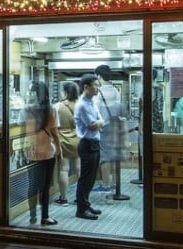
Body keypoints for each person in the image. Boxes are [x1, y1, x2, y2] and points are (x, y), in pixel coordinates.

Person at [24, 81, 61, 225]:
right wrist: (60, 150)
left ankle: (32, 216)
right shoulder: (51, 110)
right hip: (47, 152)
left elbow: (23, 130)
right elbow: (55, 134)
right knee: (45, 187)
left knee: (32, 186)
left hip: (31, 153)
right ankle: (44, 217)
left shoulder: (26, 110)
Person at [94, 64, 128, 199]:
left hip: (104, 128)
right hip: (116, 127)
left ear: (99, 76)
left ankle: (106, 185)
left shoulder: (99, 92)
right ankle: (115, 184)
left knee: (105, 158)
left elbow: (96, 112)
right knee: (114, 158)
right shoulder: (115, 91)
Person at [73, 73, 104, 220]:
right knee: (85, 178)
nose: (98, 87)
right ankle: (81, 209)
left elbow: (100, 121)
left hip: (95, 143)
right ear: (86, 87)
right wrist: (100, 122)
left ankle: (86, 203)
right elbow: (93, 125)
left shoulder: (93, 102)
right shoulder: (82, 105)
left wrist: (100, 122)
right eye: (96, 85)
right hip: (87, 144)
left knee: (91, 178)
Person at [54, 81, 80, 205]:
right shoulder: (80, 105)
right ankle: (81, 197)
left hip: (62, 140)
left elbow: (53, 125)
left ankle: (63, 198)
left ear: (65, 92)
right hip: (78, 139)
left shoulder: (57, 106)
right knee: (79, 169)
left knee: (64, 169)